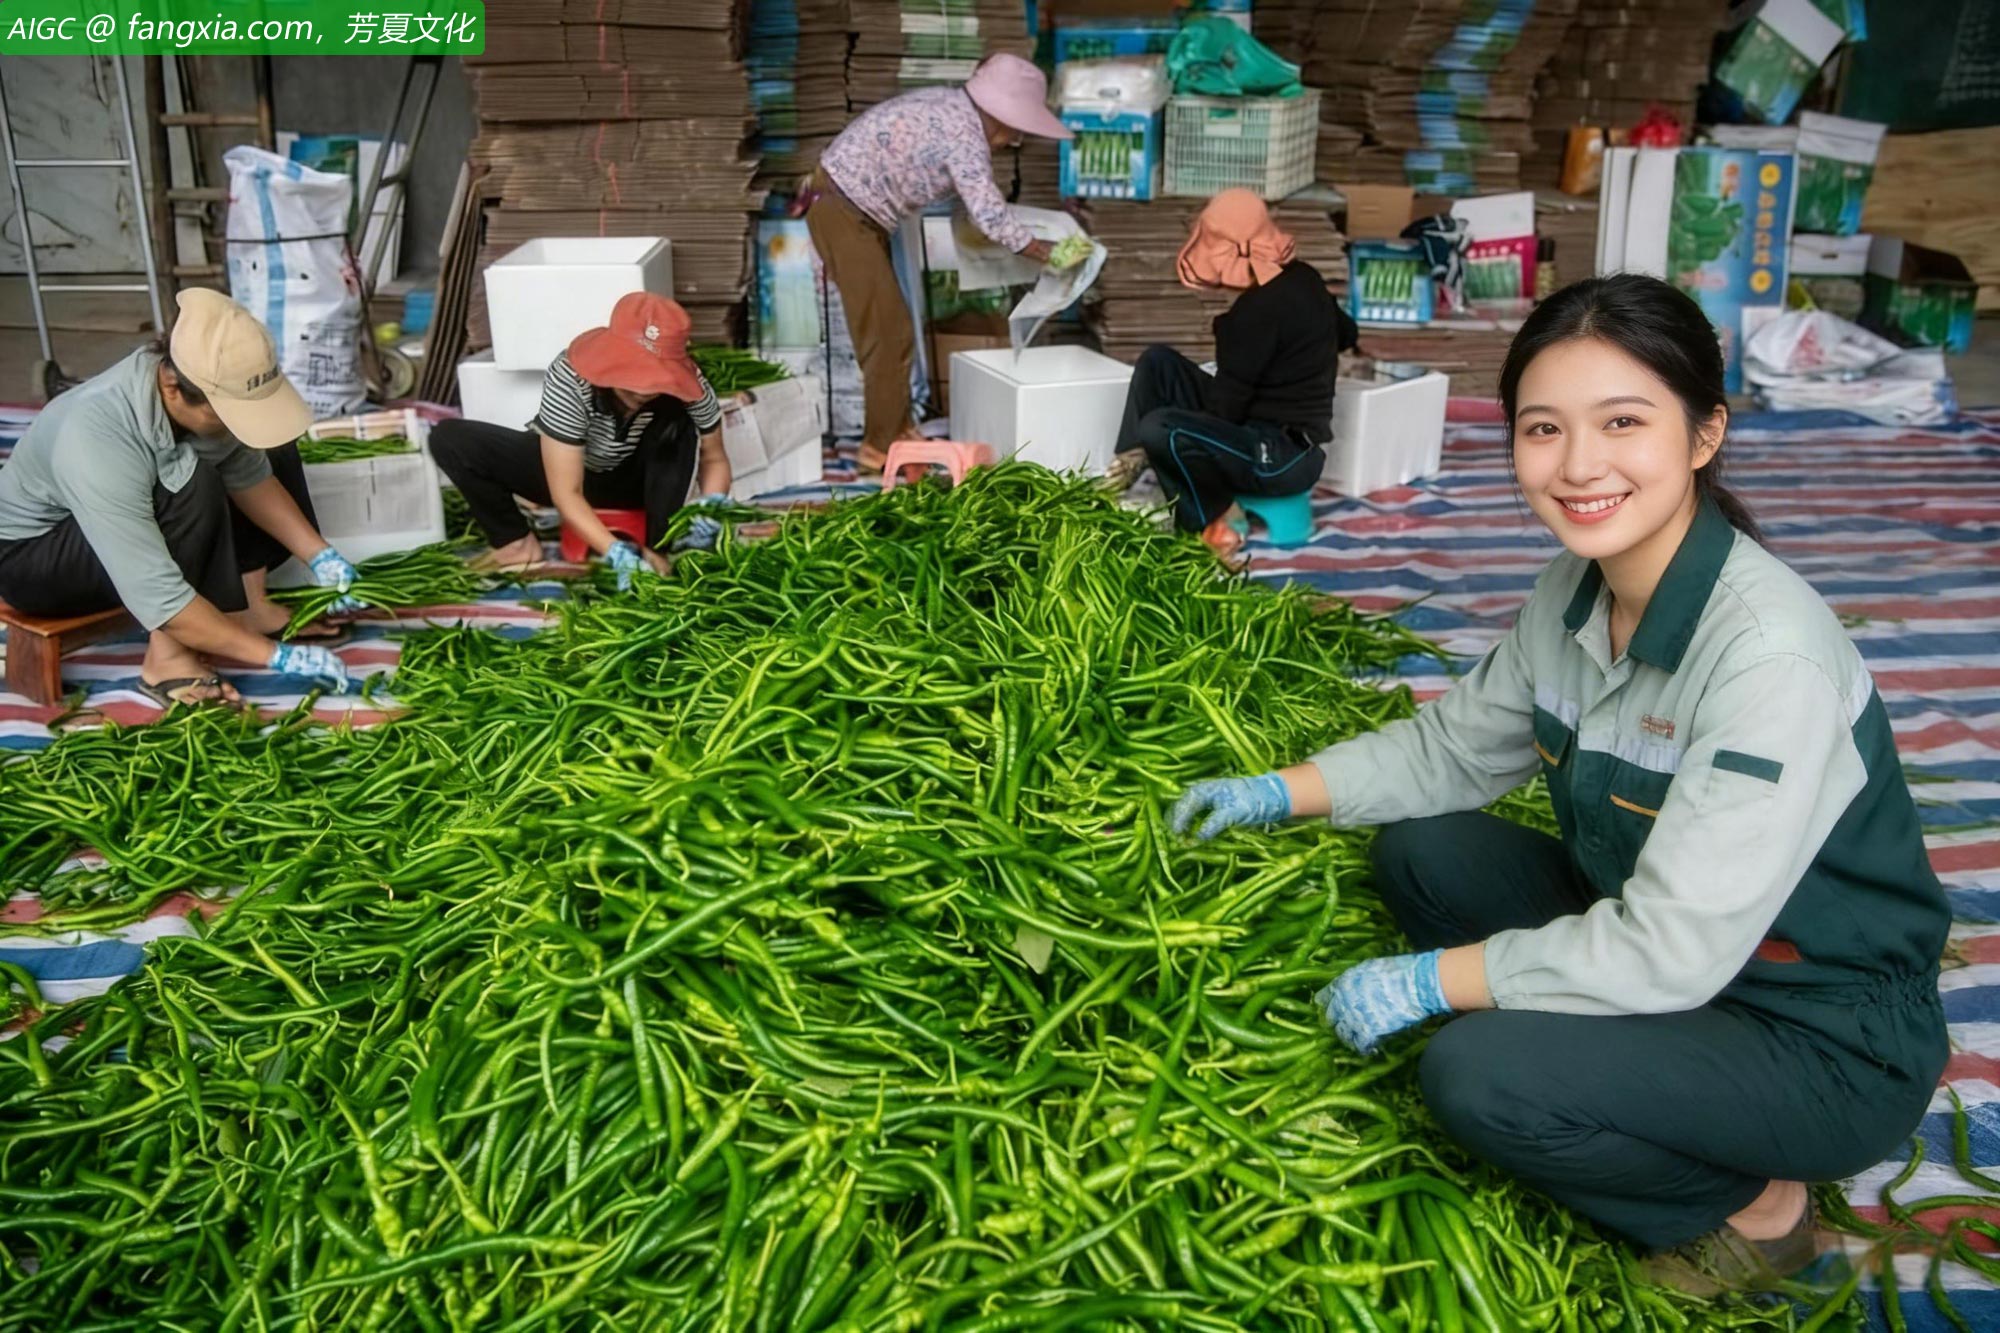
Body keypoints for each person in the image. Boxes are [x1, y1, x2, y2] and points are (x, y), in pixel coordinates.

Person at [1168, 274, 1949, 1294]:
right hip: (1677, 947)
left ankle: (1759, 1212)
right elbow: (1450, 753)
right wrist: (1276, 788)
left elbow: (1671, 946)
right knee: (1425, 848)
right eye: (1542, 429)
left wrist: (1430, 983)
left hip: (1818, 1028)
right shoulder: (1573, 589)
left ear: (1702, 434)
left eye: (1621, 422)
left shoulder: (1767, 659)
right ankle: (1600, 1052)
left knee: (1475, 1073)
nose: (1577, 465)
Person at [0, 290, 359, 706]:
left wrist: (321, 556)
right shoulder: (95, 436)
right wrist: (277, 658)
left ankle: (249, 608)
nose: (231, 423)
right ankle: (167, 660)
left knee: (266, 442)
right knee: (191, 484)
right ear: (172, 387)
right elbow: (158, 594)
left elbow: (250, 476)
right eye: (224, 411)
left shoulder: (191, 382)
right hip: (32, 560)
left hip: (101, 530)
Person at [809, 53, 1072, 473]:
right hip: (843, 210)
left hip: (852, 207)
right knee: (887, 334)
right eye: (1015, 133)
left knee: (892, 329)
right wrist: (1044, 251)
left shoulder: (948, 105)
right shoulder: (965, 137)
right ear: (1000, 117)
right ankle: (877, 447)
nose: (1011, 142)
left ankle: (897, 427)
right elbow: (989, 215)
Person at [1108, 189, 1358, 554]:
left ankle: (1215, 517)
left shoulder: (1251, 316)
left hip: (1278, 458)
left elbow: (1225, 411)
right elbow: (1347, 333)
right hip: (1288, 442)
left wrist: (1180, 441)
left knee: (1162, 429)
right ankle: (1129, 462)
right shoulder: (1305, 277)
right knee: (1158, 361)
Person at [429, 293, 732, 589]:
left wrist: (711, 505)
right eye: (633, 376)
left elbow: (714, 458)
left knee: (680, 428)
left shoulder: (694, 388)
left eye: (655, 381)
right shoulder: (570, 376)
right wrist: (613, 550)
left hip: (637, 481)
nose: (642, 391)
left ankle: (658, 547)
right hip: (568, 474)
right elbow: (567, 491)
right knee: (451, 439)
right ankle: (515, 544)